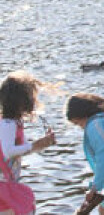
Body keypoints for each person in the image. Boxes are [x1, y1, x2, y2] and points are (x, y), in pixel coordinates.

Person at [0, 71, 56, 214]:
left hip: (9, 181)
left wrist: (43, 144)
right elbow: (8, 151)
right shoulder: (7, 124)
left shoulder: (15, 122)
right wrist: (35, 145)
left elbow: (23, 148)